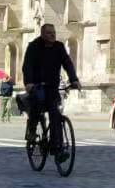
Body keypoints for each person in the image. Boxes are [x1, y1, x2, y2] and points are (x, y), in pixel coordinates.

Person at [22, 24, 80, 158]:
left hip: (52, 87)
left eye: (54, 32)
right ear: (42, 34)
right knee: (36, 109)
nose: (52, 35)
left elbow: (67, 63)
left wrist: (74, 80)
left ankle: (57, 148)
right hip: (37, 86)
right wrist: (29, 82)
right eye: (49, 33)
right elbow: (27, 66)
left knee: (56, 115)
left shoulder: (59, 47)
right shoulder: (34, 46)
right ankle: (32, 131)